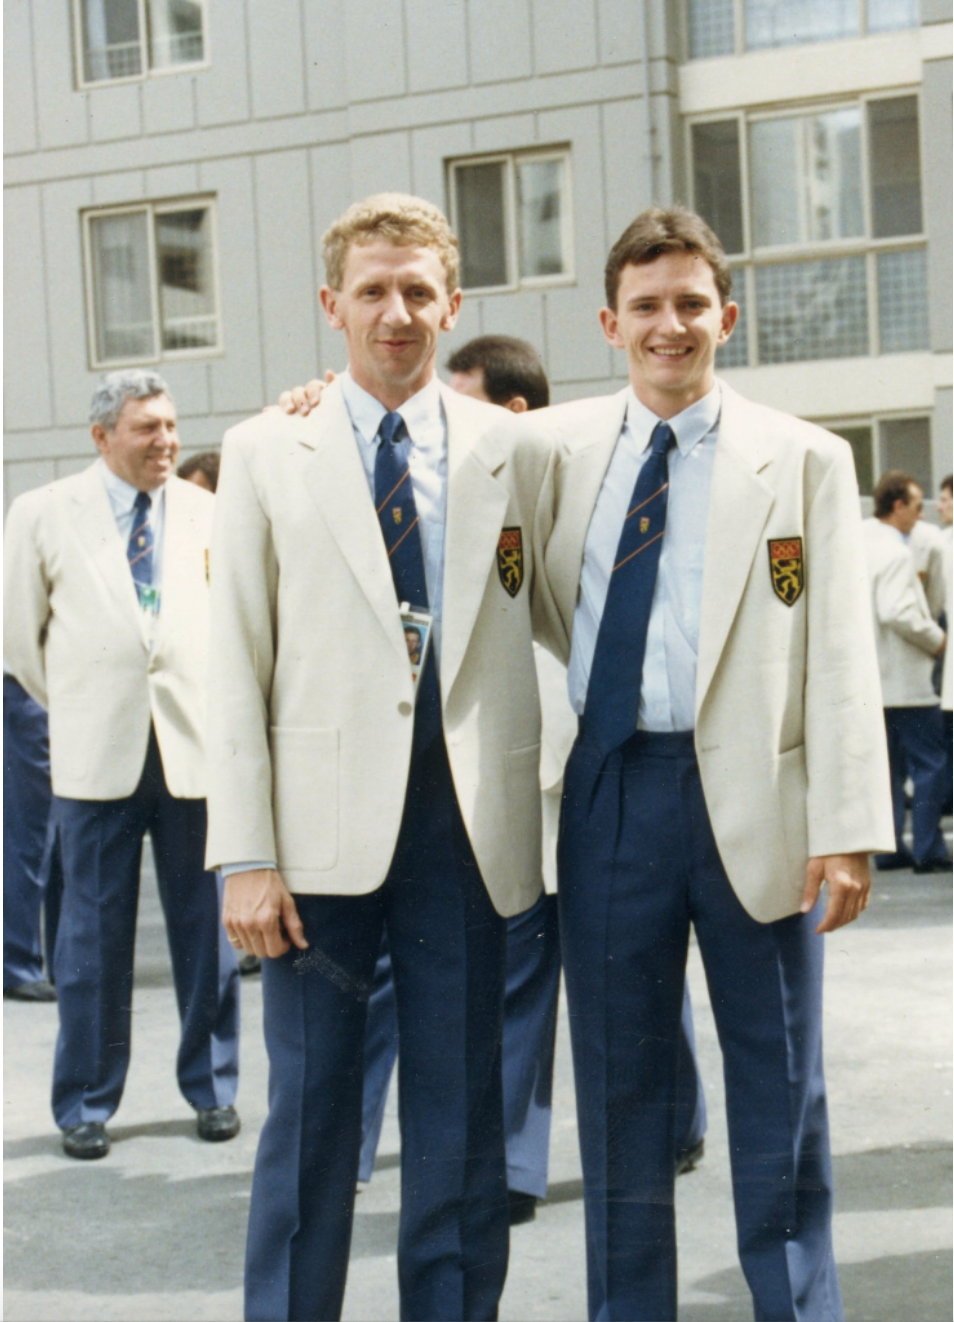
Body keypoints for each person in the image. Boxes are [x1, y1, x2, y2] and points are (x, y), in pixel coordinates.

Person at [517, 207, 893, 1322]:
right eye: (646, 306)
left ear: (727, 316)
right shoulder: (551, 451)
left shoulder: (808, 459)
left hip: (759, 800)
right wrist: (302, 400)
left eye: (691, 304)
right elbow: (425, 433)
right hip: (610, 791)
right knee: (621, 1088)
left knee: (779, 1080)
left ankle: (796, 1302)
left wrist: (847, 825)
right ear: (608, 322)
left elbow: (838, 652)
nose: (669, 325)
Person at [205, 195, 555, 1322]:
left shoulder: (519, 450)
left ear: (453, 304)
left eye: (418, 291)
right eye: (372, 290)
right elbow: (234, 661)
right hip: (312, 846)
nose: (396, 313)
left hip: (465, 831)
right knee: (311, 1117)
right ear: (331, 306)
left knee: (459, 1121)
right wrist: (245, 856)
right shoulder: (268, 448)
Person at [312, 335, 706, 1224]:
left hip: (598, 756)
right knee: (524, 973)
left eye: (469, 399)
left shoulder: (567, 462)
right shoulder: (443, 472)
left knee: (641, 965)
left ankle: (681, 1119)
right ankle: (517, 1168)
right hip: (499, 770)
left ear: (517, 414)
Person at [3, 370, 241, 1161]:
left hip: (192, 755)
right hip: (95, 759)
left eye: (170, 426)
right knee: (92, 944)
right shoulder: (41, 514)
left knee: (206, 935)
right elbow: (20, 643)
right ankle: (85, 1102)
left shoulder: (213, 513)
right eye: (146, 428)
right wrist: (90, 698)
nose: (165, 442)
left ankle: (212, 1087)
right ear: (102, 436)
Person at [863, 471, 949, 873]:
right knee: (930, 765)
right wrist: (937, 640)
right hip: (907, 680)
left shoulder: (857, 542)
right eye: (916, 508)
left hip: (872, 680)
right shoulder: (897, 553)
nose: (920, 517)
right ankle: (928, 848)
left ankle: (889, 846)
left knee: (887, 770)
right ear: (898, 507)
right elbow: (897, 611)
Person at [3, 674, 58, 1001]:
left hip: (54, 687)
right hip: (28, 684)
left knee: (59, 827)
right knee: (30, 828)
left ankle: (63, 961)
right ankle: (16, 961)